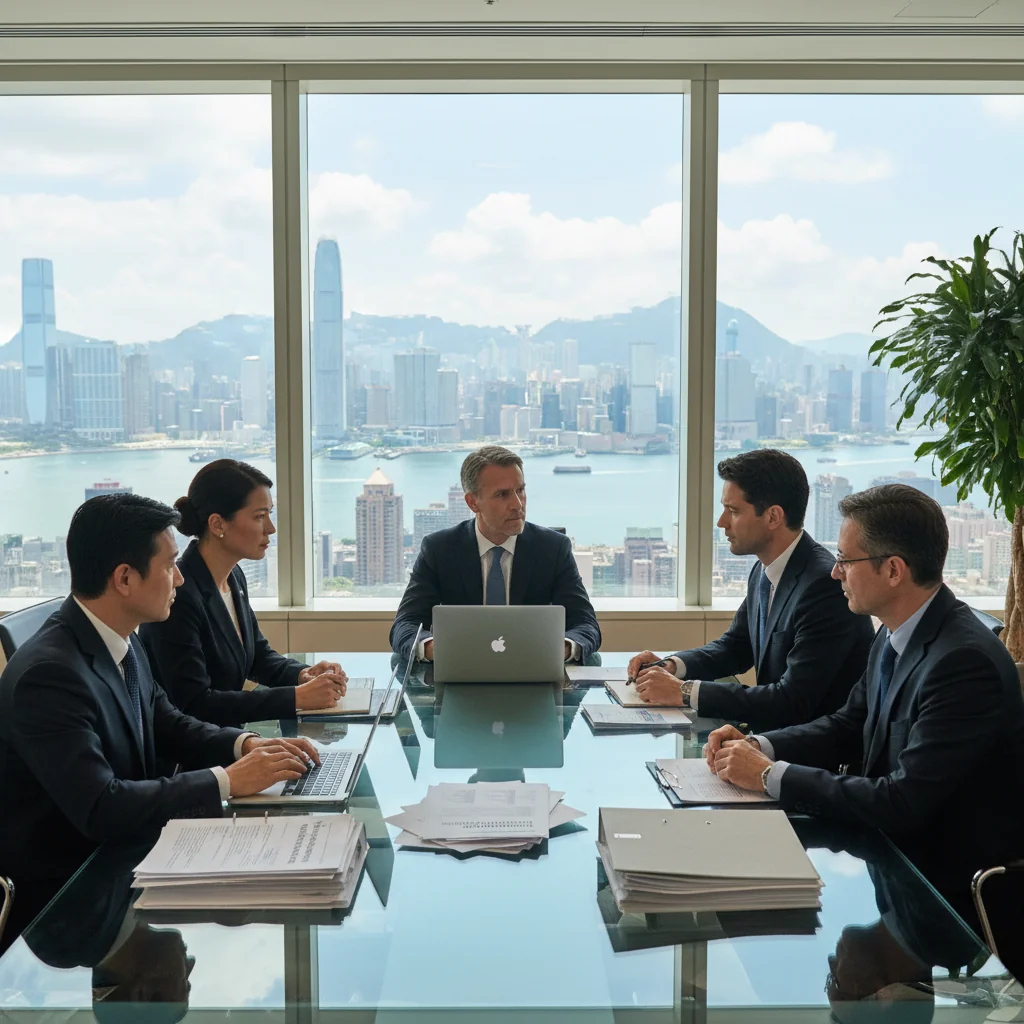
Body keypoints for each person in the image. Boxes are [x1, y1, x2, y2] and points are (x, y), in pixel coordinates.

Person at [0, 493, 321, 940]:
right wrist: (227, 780)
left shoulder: (121, 638)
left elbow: (167, 721)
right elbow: (101, 806)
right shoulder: (49, 676)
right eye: (170, 565)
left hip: (131, 857)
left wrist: (245, 746)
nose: (181, 578)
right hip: (71, 904)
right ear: (124, 579)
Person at [706, 484, 1024, 879]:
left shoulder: (963, 664)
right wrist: (759, 745)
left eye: (845, 559)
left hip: (939, 881)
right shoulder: (895, 631)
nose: (834, 571)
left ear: (893, 570)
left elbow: (902, 800)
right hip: (883, 852)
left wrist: (769, 775)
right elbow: (848, 724)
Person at [628, 449, 874, 730]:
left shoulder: (824, 585)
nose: (721, 522)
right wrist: (672, 665)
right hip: (772, 738)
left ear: (773, 517)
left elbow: (792, 700)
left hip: (812, 749)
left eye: (733, 511)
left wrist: (685, 692)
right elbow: (735, 647)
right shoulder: (764, 570)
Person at [140, 460, 347, 727]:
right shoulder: (178, 596)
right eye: (260, 516)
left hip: (229, 738)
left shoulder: (233, 576)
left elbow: (257, 657)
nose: (271, 528)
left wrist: (304, 675)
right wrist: (296, 697)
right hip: (194, 748)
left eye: (270, 515)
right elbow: (194, 703)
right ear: (217, 524)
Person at [389, 445, 600, 663]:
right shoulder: (439, 549)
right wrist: (434, 649)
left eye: (520, 490)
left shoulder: (553, 549)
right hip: (461, 670)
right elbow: (405, 625)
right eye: (502, 495)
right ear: (473, 502)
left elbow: (586, 624)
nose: (517, 504)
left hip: (533, 668)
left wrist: (562, 648)